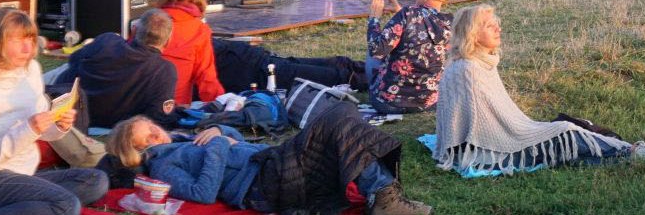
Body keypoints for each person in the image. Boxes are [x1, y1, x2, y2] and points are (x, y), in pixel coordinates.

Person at [432, 6, 645, 175]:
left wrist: (530, 129)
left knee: (567, 133)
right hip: (487, 152)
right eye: (489, 26)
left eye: (497, 24)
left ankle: (627, 155)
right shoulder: (468, 69)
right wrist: (529, 132)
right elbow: (486, 127)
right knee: (565, 130)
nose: (498, 29)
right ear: (472, 35)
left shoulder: (480, 61)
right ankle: (633, 151)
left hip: (491, 143)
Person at [104, 109, 429, 215]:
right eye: (146, 139)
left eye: (152, 129)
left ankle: (384, 194)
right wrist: (217, 144)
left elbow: (237, 144)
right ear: (136, 153)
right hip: (264, 183)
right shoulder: (163, 166)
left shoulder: (182, 140)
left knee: (342, 115)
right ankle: (385, 197)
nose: (156, 136)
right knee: (336, 120)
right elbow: (203, 192)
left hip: (270, 161)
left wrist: (220, 128)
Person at [0, 9, 107, 215]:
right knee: (66, 204)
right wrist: (28, 129)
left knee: (95, 180)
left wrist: (57, 125)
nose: (28, 47)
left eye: (31, 39)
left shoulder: (31, 70)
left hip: (21, 173)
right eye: (18, 40)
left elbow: (40, 128)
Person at [51, 10, 177, 129]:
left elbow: (73, 61)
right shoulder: (164, 70)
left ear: (133, 31)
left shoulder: (108, 41)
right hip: (97, 118)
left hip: (76, 112)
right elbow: (159, 117)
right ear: (168, 41)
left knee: (55, 73)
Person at [366, 0, 456, 114]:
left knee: (374, 43)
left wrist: (374, 18)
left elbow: (376, 49)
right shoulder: (451, 22)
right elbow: (423, 28)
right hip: (428, 102)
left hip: (390, 102)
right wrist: (399, 11)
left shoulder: (407, 14)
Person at [154, 0, 224, 107]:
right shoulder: (199, 30)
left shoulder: (146, 22)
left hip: (135, 104)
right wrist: (222, 107)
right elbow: (206, 79)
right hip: (173, 109)